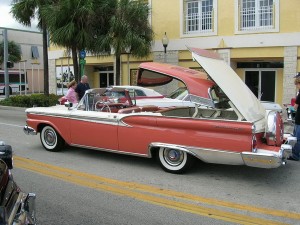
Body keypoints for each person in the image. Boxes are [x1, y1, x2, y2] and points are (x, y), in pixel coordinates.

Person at [289, 73, 300, 161]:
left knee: (297, 138)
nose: (296, 86)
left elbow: (295, 107)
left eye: (296, 84)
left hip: (299, 120)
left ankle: (295, 155)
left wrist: (290, 107)